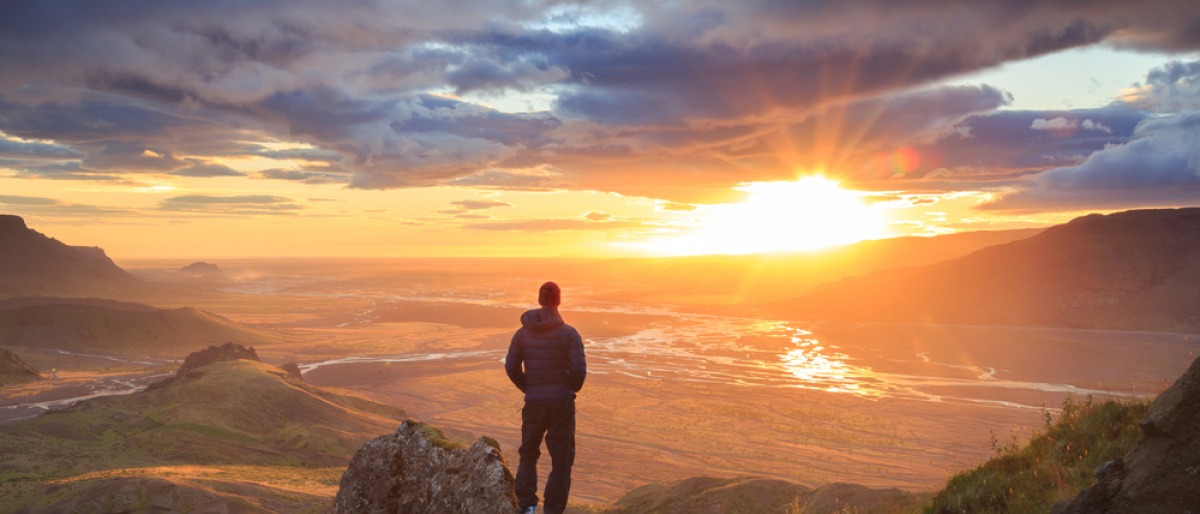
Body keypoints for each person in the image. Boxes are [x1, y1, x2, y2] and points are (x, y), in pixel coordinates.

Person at [505, 281, 586, 514]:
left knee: (528, 454)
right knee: (561, 461)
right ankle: (552, 510)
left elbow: (511, 367)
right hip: (562, 404)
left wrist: (529, 388)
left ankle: (526, 506)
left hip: (534, 402)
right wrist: (569, 387)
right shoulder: (570, 334)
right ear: (558, 300)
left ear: (539, 300)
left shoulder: (522, 334)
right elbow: (579, 372)